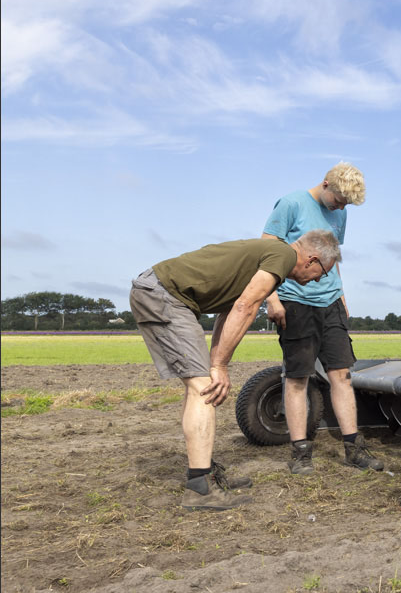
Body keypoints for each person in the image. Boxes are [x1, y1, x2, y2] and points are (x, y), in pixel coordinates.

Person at [130, 230, 341, 510]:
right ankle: (200, 488)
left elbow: (227, 312)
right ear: (312, 260)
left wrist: (216, 360)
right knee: (203, 387)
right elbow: (246, 306)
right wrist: (219, 365)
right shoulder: (282, 255)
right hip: (163, 295)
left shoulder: (267, 257)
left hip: (165, 294)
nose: (317, 279)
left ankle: (203, 473)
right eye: (322, 272)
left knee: (200, 383)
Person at [261, 162, 383, 475]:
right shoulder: (290, 205)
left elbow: (332, 257)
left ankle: (354, 449)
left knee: (341, 375)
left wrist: (342, 296)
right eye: (339, 199)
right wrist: (271, 298)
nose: (341, 207)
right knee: (298, 377)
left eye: (346, 204)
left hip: (330, 303)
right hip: (295, 301)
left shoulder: (341, 211)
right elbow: (265, 252)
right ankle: (301, 454)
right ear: (326, 183)